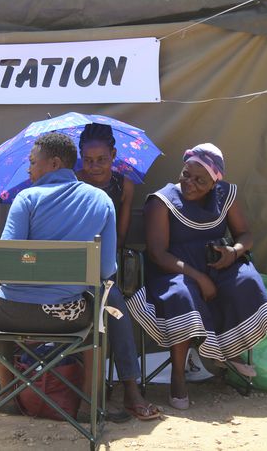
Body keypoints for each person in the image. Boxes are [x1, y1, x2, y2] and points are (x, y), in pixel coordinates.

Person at [125, 143, 267, 410]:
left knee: (246, 280)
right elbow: (157, 254)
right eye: (186, 174)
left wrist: (233, 252)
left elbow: (246, 235)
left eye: (200, 180)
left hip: (216, 263)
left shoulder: (226, 195)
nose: (190, 183)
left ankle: (228, 349)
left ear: (214, 182)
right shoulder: (162, 201)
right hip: (173, 269)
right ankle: (178, 376)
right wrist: (199, 277)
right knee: (182, 294)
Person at [0, 132, 127, 422]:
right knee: (97, 318)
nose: (29, 169)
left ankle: (6, 391)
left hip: (11, 314)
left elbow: (7, 259)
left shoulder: (26, 198)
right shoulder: (102, 200)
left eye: (32, 162)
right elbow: (105, 270)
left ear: (53, 163)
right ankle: (89, 403)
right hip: (69, 316)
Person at [76, 123, 159, 421]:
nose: (94, 166)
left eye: (101, 159)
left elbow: (121, 237)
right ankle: (117, 390)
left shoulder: (124, 185)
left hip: (107, 265)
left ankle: (130, 390)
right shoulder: (74, 182)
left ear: (113, 154)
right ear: (80, 157)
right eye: (88, 160)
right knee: (111, 305)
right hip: (73, 263)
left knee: (116, 308)